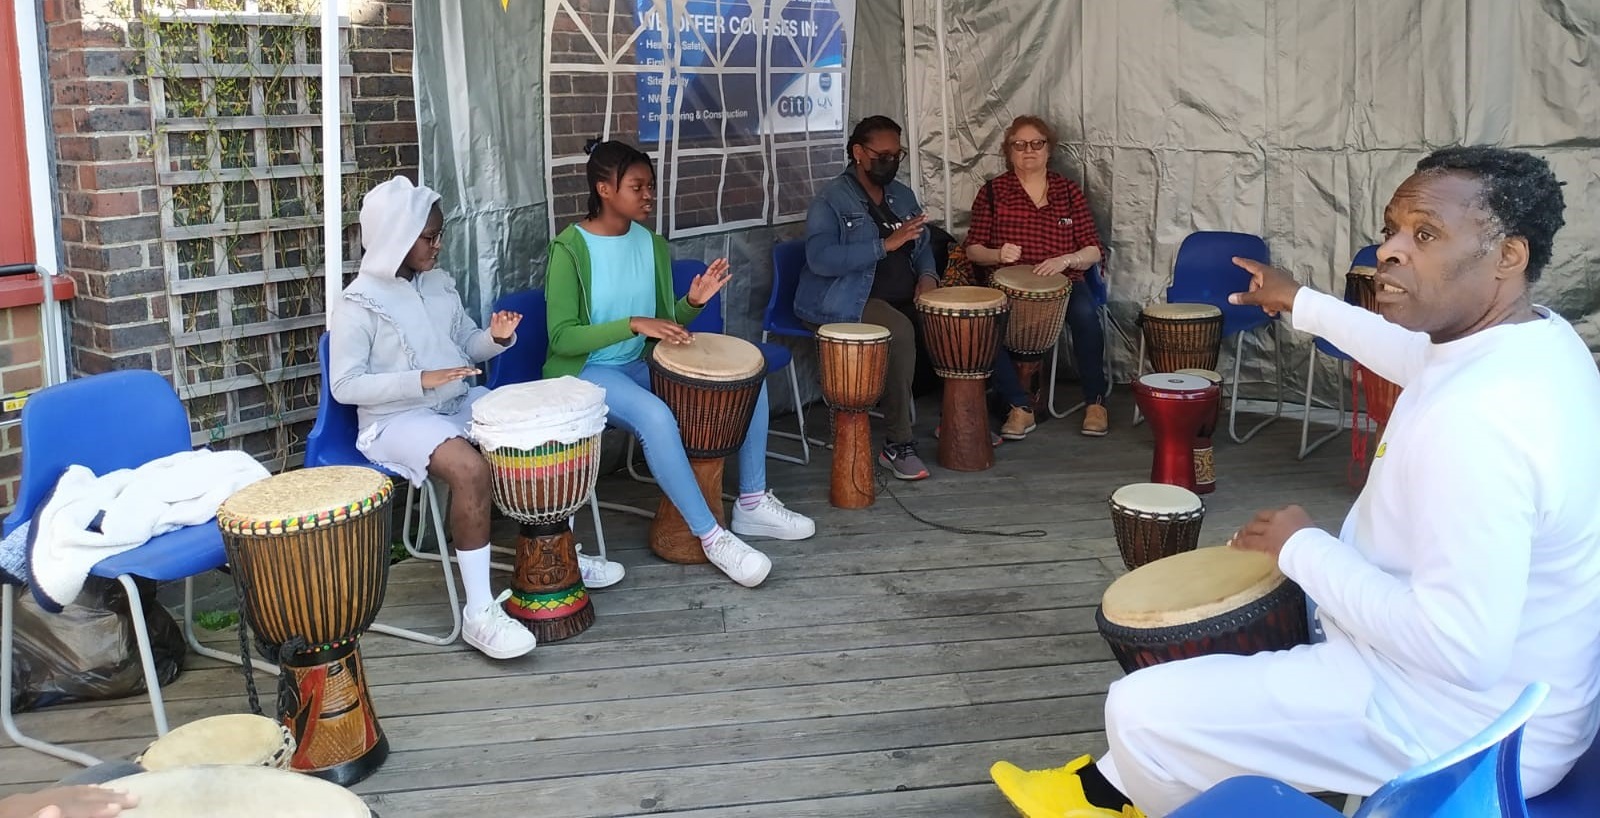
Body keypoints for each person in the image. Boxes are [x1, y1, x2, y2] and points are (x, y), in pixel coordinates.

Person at [989, 145, 1600, 817]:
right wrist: (1298, 302)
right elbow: (1411, 355)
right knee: (1222, 668)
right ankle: (1107, 788)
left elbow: (1461, 650)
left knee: (1138, 708)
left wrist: (1301, 547)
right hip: (1510, 694)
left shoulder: (1484, 422)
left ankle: (1134, 802)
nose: (1387, 252)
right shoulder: (1536, 342)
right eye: (1392, 228)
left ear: (1508, 256)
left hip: (1458, 725)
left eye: (1424, 234)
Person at [331, 176, 625, 661]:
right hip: (395, 420)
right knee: (470, 469)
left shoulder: (438, 283)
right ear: (396, 238)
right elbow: (345, 386)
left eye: (439, 234)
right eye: (429, 237)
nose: (437, 244)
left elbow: (467, 344)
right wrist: (421, 380)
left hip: (452, 401)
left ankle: (557, 554)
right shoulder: (356, 303)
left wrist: (496, 338)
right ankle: (479, 613)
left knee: (530, 434)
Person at [544, 140, 815, 588]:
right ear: (604, 189)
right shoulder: (569, 250)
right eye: (637, 186)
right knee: (656, 416)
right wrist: (631, 324)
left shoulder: (651, 244)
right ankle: (712, 536)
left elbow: (663, 323)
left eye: (650, 186)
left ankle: (751, 502)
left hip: (638, 362)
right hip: (586, 371)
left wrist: (691, 302)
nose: (648, 195)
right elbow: (562, 337)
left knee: (749, 378)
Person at [795, 115, 1033, 479]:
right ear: (859, 152)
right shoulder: (830, 200)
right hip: (847, 300)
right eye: (883, 154)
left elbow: (921, 242)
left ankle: (958, 419)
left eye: (898, 154)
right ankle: (897, 443)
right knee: (900, 331)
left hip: (905, 292)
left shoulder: (900, 194)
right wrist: (883, 245)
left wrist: (927, 276)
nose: (891, 161)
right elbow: (820, 259)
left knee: (960, 318)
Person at [964, 115, 1108, 438]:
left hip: (1065, 283)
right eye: (1020, 145)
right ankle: (1020, 407)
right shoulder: (992, 192)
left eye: (1036, 143)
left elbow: (1094, 250)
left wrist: (1067, 259)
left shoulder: (1069, 192)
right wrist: (998, 254)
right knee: (985, 326)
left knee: (1086, 315)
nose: (1028, 150)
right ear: (1009, 152)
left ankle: (1095, 402)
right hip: (1009, 287)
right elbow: (973, 249)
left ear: (1048, 149)